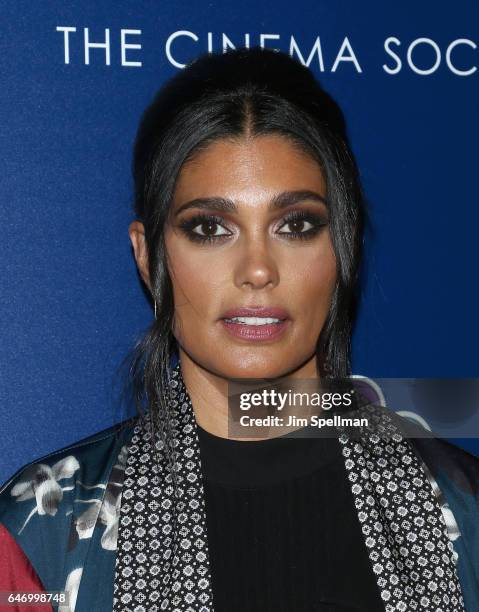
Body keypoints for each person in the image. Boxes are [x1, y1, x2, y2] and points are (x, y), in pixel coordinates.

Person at [0, 47, 478, 612]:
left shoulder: (464, 511)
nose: (258, 270)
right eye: (209, 227)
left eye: (296, 224)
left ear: (342, 246)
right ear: (149, 259)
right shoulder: (41, 532)